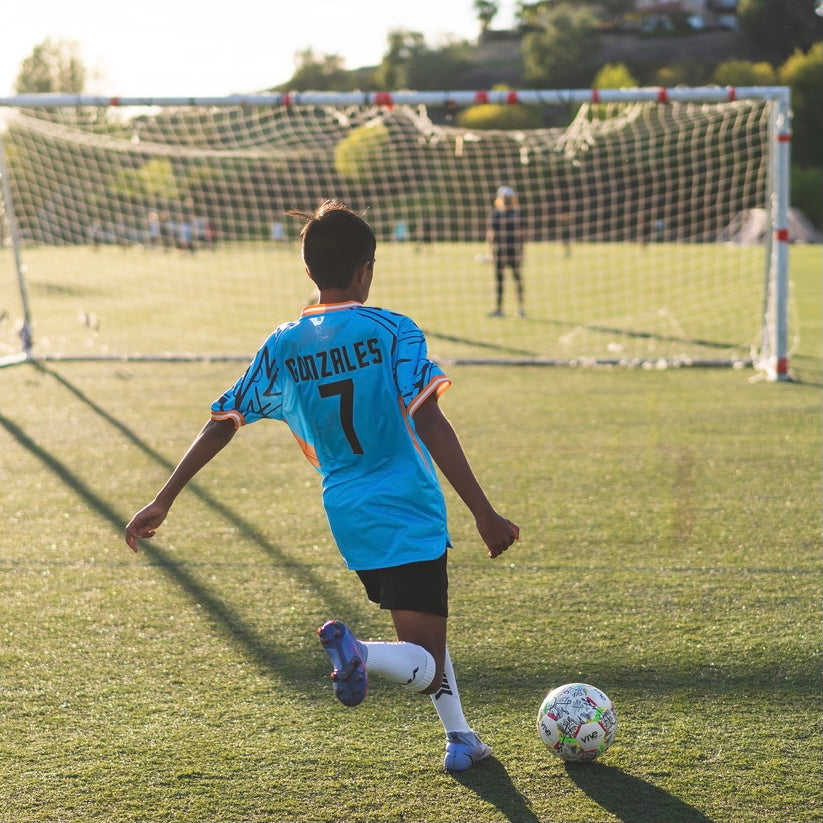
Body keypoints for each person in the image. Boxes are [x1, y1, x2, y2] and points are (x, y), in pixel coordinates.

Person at [124, 199, 520, 772]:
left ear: (309, 272)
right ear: (368, 269)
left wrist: (163, 498)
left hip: (347, 512)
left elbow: (224, 421)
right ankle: (357, 651)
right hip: (406, 502)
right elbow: (429, 419)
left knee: (421, 629)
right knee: (424, 660)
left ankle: (461, 738)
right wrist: (484, 512)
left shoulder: (283, 342)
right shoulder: (392, 330)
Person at [485, 186, 526, 318]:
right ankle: (499, 309)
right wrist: (490, 253)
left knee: (517, 279)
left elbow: (521, 234)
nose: (506, 201)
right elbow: (491, 235)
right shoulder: (495, 214)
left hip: (513, 251)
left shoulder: (517, 213)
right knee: (499, 281)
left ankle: (520, 309)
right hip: (500, 252)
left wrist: (521, 252)